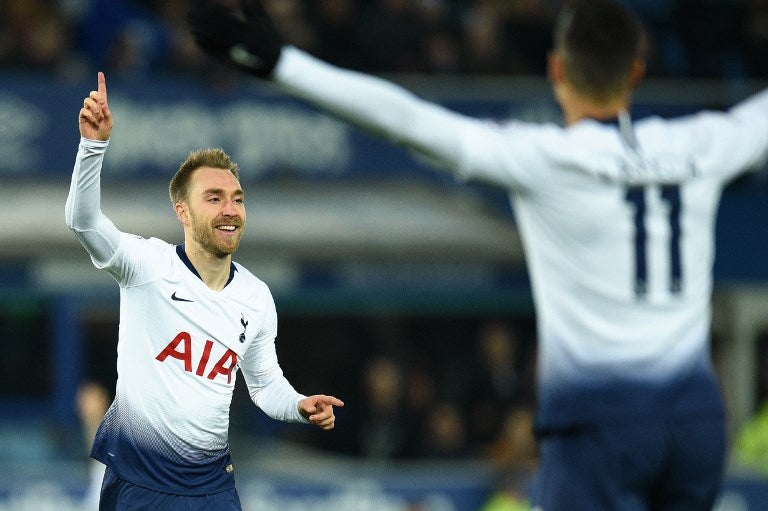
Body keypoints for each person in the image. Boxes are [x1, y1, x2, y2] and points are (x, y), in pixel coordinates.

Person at [187, 0, 768, 509]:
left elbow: (411, 122)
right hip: (695, 422)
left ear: (556, 69)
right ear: (636, 72)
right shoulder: (701, 144)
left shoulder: (545, 158)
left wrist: (281, 62)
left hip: (602, 423)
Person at [65, 71, 344, 511]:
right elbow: (83, 223)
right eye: (214, 198)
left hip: (213, 490)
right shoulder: (147, 266)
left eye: (238, 198)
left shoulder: (255, 296)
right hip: (140, 486)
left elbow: (265, 385)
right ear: (183, 211)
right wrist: (92, 147)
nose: (230, 209)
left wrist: (299, 405)